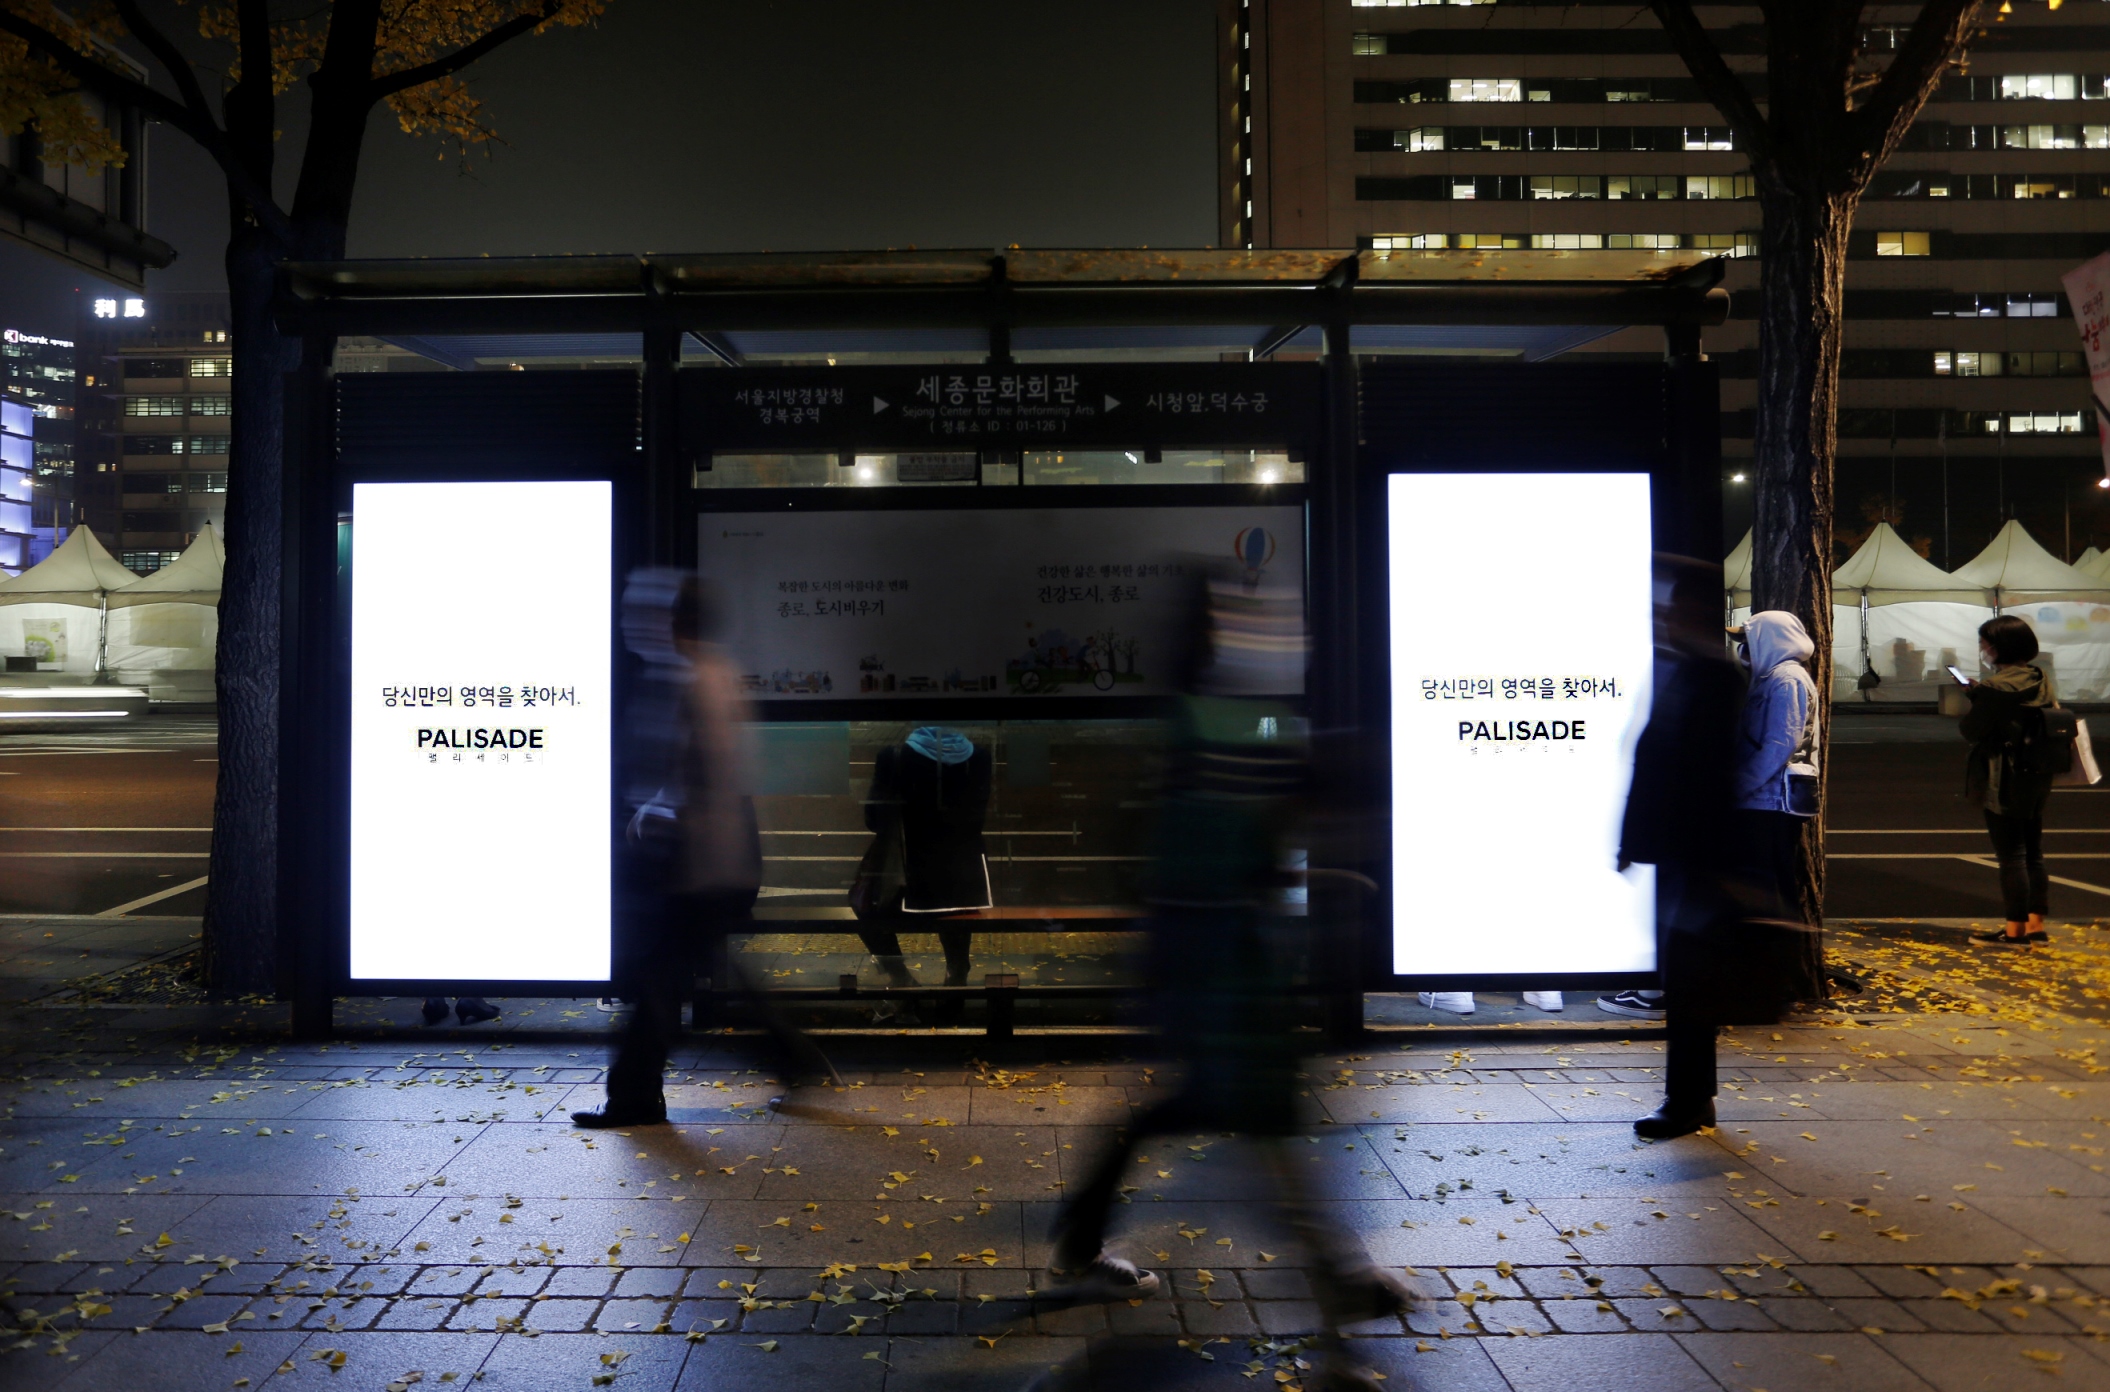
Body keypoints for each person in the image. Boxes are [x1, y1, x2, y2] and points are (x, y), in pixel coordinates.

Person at [1042, 562, 1405, 1388]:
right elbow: (1257, 843)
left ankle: (1082, 1237)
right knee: (1261, 1136)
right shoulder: (1243, 731)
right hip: (1228, 977)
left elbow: (1172, 855)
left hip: (1193, 969)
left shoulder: (1189, 730)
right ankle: (1339, 1307)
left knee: (1201, 1120)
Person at [574, 572, 762, 1129]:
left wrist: (655, 819)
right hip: (708, 862)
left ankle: (633, 1097)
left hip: (696, 865)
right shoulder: (711, 674)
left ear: (681, 621)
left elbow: (700, 776)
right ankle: (792, 1053)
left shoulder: (698, 680)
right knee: (678, 971)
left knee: (659, 980)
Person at [1600, 558, 1745, 1138]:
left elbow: (1684, 768)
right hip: (1686, 850)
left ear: (1699, 614)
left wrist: (1640, 838)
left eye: (1675, 609)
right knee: (1687, 977)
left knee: (1690, 979)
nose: (1665, 619)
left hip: (1700, 851)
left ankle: (1688, 1099)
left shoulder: (1713, 676)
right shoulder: (1694, 670)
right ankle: (1688, 1097)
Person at [1962, 614, 2058, 945]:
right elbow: (2015, 713)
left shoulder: (1994, 687)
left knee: (2012, 855)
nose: (1982, 649)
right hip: (2036, 774)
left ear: (1998, 647)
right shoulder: (2039, 677)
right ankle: (2035, 926)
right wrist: (1982, 696)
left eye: (1984, 643)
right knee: (2033, 852)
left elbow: (1971, 730)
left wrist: (1977, 697)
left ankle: (2014, 931)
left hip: (2003, 777)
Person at [1728, 610, 1822, 922]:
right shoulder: (1772, 678)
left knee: (1771, 888)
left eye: (1748, 641)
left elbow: (1780, 744)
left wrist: (1739, 785)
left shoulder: (1787, 680)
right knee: (1764, 886)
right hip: (1764, 799)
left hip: (1771, 802)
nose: (1743, 649)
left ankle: (1782, 958)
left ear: (1768, 641)